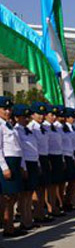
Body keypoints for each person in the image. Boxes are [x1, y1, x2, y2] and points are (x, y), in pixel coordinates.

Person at [0, 98, 27, 237]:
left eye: (9, 109)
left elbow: (19, 147)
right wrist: (4, 168)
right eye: (4, 109)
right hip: (7, 162)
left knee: (13, 196)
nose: (7, 111)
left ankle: (10, 225)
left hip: (15, 162)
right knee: (7, 198)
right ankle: (7, 227)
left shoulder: (9, 124)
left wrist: (22, 165)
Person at [14, 105, 39, 230]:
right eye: (24, 117)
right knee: (24, 194)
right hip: (26, 163)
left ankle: (29, 218)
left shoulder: (29, 130)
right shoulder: (16, 131)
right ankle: (24, 220)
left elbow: (34, 148)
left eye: (27, 117)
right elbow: (21, 151)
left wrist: (38, 163)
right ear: (17, 117)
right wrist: (23, 167)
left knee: (30, 193)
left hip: (33, 162)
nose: (26, 119)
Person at [29, 103, 51, 221]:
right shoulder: (31, 128)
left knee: (43, 186)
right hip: (36, 158)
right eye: (38, 114)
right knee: (36, 187)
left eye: (43, 114)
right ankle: (36, 213)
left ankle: (41, 212)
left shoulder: (44, 127)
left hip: (45, 157)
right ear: (32, 115)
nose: (41, 117)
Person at [43, 105, 65, 214]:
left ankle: (55, 205)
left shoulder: (55, 128)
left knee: (56, 183)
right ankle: (49, 206)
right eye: (51, 115)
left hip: (57, 156)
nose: (54, 117)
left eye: (55, 115)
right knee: (49, 184)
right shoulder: (44, 127)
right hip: (49, 156)